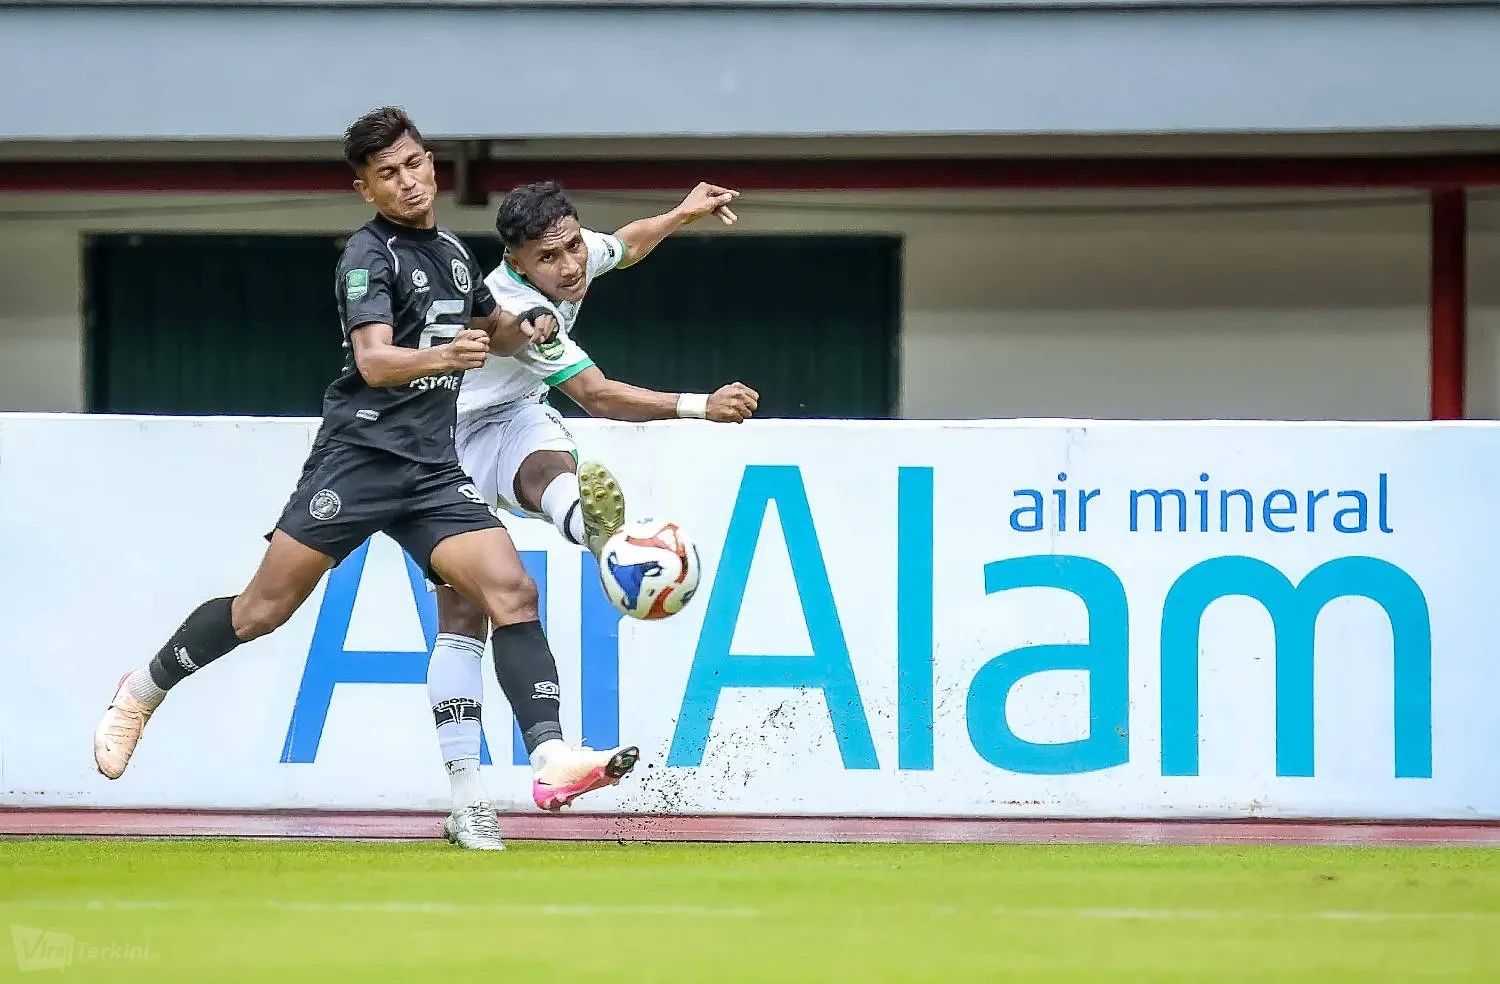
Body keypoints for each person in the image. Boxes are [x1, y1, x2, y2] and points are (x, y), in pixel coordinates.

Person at [91, 108, 563, 856]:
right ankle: (140, 692)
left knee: (512, 592)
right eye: (387, 174)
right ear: (365, 189)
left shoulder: (452, 251)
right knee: (261, 611)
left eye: (414, 164)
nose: (407, 182)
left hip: (431, 470)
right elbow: (374, 361)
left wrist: (527, 322)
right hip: (360, 460)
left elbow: (492, 326)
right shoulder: (365, 256)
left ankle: (547, 757)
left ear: (431, 164)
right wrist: (446, 358)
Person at [428, 180, 759, 849]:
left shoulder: (576, 258)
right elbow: (597, 396)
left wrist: (680, 214)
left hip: (514, 414)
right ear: (518, 264)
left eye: (574, 245)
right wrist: (700, 406)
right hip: (443, 442)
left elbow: (626, 246)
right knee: (462, 617)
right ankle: (467, 800)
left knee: (549, 469)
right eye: (549, 257)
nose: (571, 264)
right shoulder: (517, 308)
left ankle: (600, 533)